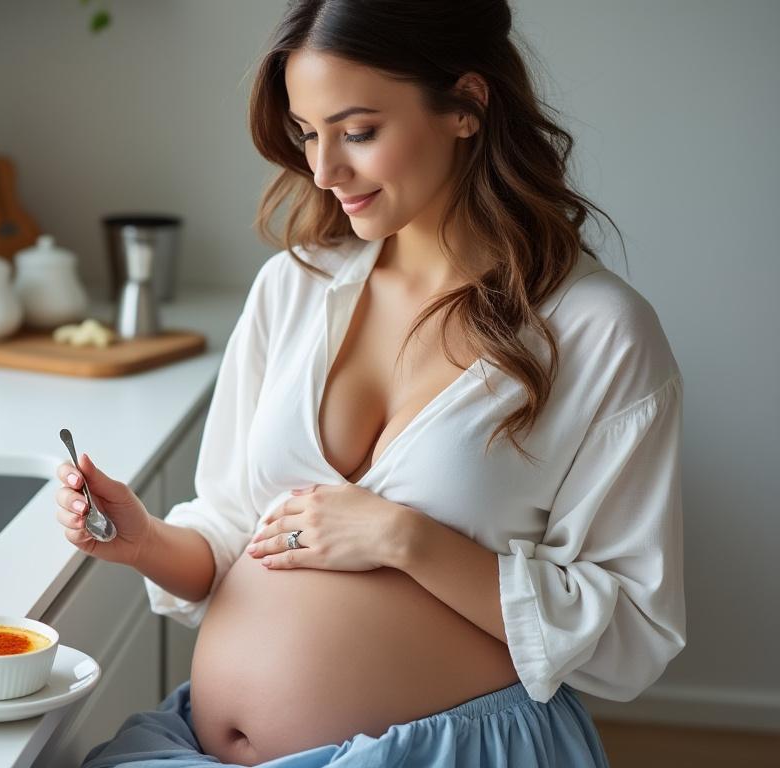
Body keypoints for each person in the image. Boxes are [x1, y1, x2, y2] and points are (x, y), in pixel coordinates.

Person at [52, 1, 686, 766]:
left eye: (357, 132)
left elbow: (631, 637)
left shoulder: (598, 332)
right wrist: (146, 541)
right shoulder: (291, 288)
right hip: (197, 747)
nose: (324, 171)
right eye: (307, 134)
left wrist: (405, 539)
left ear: (466, 106)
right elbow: (231, 532)